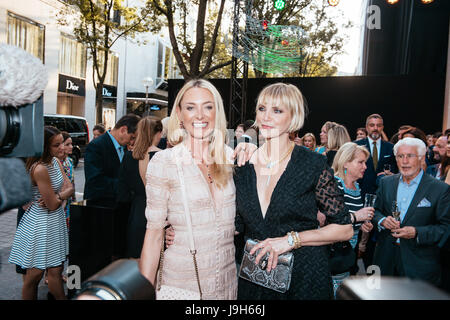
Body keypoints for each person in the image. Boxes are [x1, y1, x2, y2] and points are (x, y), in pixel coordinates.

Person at [233, 83, 353, 300]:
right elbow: (235, 225)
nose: (266, 117)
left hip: (303, 277)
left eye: (277, 110)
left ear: (294, 116)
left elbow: (344, 229)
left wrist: (290, 240)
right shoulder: (243, 165)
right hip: (255, 281)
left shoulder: (312, 163)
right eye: (262, 109)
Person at [139, 79, 237, 299]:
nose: (200, 115)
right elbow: (153, 234)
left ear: (217, 112)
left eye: (208, 106)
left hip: (227, 282)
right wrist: (143, 291)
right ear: (180, 114)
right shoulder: (165, 162)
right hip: (182, 282)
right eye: (191, 107)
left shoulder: (231, 158)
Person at [372, 137, 450, 287]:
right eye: (400, 156)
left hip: (420, 264)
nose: (404, 161)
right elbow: (375, 211)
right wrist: (381, 220)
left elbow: (445, 227)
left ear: (421, 158)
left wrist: (416, 232)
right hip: (385, 259)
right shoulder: (386, 183)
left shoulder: (440, 189)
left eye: (410, 156)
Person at [9, 126, 74, 300]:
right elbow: (52, 205)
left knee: (55, 271)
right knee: (34, 275)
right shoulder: (40, 168)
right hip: (40, 223)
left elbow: (70, 187)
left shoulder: (55, 162)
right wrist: (59, 197)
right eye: (56, 145)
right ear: (45, 147)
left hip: (54, 222)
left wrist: (58, 195)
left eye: (62, 142)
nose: (62, 148)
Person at [330, 142, 374, 294]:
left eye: (365, 163)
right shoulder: (335, 184)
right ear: (346, 163)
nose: (365, 167)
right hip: (332, 251)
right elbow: (329, 220)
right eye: (360, 162)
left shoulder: (356, 187)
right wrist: (356, 217)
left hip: (347, 253)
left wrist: (360, 225)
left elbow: (348, 220)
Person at [355, 113, 398, 269]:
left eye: (379, 125)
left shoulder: (390, 148)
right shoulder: (357, 146)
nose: (375, 128)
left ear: (382, 127)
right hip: (359, 198)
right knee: (357, 237)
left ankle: (373, 273)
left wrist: (391, 175)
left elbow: (397, 173)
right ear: (367, 127)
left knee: (376, 242)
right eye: (372, 125)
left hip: (383, 201)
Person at [117, 117, 162, 258]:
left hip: (137, 212)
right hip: (159, 214)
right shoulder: (164, 156)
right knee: (158, 264)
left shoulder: (129, 157)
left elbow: (121, 193)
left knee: (136, 262)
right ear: (159, 133)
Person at [84, 113, 140, 208]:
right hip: (101, 207)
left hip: (120, 206)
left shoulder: (126, 148)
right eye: (132, 137)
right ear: (123, 130)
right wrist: (127, 185)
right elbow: (95, 181)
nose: (132, 142)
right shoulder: (96, 146)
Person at [58, 131, 76, 228]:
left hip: (69, 203)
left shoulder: (70, 161)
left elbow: (72, 184)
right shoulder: (55, 163)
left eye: (71, 144)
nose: (71, 146)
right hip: (59, 204)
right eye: (67, 144)